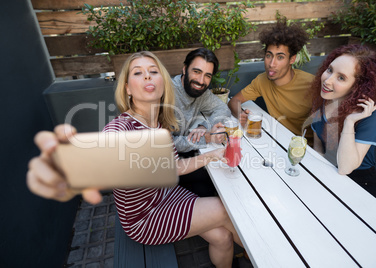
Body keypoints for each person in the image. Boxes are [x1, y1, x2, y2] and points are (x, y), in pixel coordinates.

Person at [27, 51, 243, 268]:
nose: (147, 76)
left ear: (163, 83)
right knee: (227, 210)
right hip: (145, 219)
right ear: (128, 88)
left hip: (168, 193)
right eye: (138, 73)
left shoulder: (159, 124)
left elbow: (175, 167)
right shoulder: (124, 127)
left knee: (222, 237)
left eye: (153, 71)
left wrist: (212, 155)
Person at [309, 44, 376, 200]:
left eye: (341, 77)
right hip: (329, 173)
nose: (327, 80)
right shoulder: (324, 97)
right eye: (330, 70)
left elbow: (345, 168)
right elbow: (319, 146)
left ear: (357, 86)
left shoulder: (373, 113)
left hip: (360, 185)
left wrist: (349, 122)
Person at [228, 18, 314, 144]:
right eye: (269, 55)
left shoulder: (311, 84)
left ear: (292, 59)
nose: (271, 64)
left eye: (280, 57)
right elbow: (234, 101)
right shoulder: (261, 81)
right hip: (277, 139)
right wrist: (241, 115)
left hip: (306, 149)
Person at [172, 48, 231, 196]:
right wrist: (207, 137)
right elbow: (168, 144)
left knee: (227, 178)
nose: (200, 81)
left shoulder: (201, 93)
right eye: (197, 72)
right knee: (221, 189)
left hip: (188, 156)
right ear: (184, 69)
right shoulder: (167, 94)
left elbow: (223, 109)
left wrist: (204, 126)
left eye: (207, 76)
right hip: (168, 167)